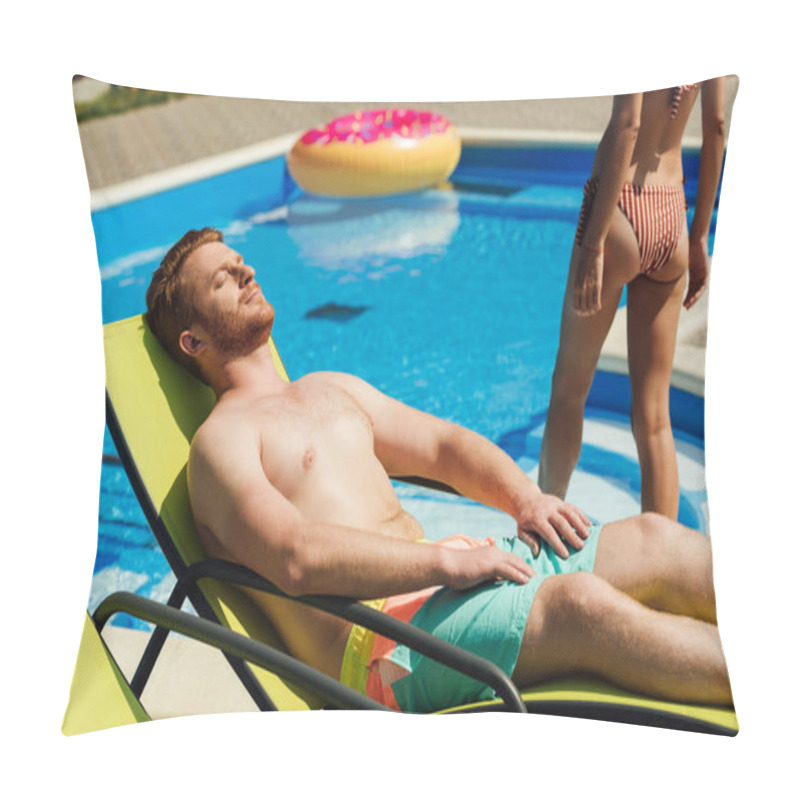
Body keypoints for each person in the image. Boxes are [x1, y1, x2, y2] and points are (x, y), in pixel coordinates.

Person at [145, 227, 733, 714]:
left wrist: (526, 500)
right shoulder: (219, 444)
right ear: (192, 341)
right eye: (224, 278)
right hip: (379, 645)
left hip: (448, 579)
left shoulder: (328, 388)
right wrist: (445, 562)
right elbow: (294, 555)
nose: (247, 274)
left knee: (652, 537)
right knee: (579, 605)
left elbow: (444, 445)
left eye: (241, 264)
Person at [538, 80, 727, 519]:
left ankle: (541, 533)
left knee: (569, 388)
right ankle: (662, 566)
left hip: (620, 206)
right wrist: (698, 235)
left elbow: (629, 123)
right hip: (672, 215)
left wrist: (592, 246)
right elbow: (716, 127)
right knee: (654, 416)